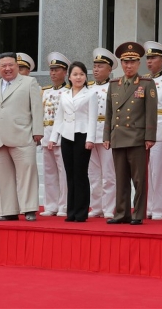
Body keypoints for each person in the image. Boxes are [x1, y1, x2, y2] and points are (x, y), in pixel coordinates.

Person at [0, 52, 43, 221]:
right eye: (4, 66)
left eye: (11, 65)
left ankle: (29, 208)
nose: (7, 69)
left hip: (22, 135)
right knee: (4, 177)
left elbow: (37, 109)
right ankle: (8, 210)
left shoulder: (29, 82)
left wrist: (37, 131)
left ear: (17, 66)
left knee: (27, 173)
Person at [104, 42, 157, 225]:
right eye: (126, 62)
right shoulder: (113, 85)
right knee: (120, 179)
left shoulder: (146, 83)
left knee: (139, 180)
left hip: (137, 138)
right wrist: (106, 137)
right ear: (121, 63)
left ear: (138, 64)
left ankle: (137, 214)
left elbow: (151, 112)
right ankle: (121, 213)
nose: (129, 65)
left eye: (133, 62)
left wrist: (150, 136)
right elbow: (109, 113)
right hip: (118, 137)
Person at [48, 61, 97, 222]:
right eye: (75, 74)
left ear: (85, 77)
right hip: (67, 136)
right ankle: (71, 212)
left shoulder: (90, 94)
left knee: (81, 174)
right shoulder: (65, 95)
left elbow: (92, 119)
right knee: (70, 175)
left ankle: (82, 212)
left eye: (82, 74)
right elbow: (59, 118)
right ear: (69, 77)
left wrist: (90, 139)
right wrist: (53, 138)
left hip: (83, 136)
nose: (78, 77)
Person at [143, 41, 162, 221]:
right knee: (144, 172)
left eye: (153, 58)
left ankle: (159, 208)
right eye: (148, 58)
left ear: (161, 60)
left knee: (157, 171)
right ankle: (147, 206)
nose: (149, 62)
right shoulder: (143, 81)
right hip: (143, 131)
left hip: (160, 130)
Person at [87, 48, 117, 219]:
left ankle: (108, 207)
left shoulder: (115, 86)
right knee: (93, 174)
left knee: (108, 174)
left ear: (109, 69)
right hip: (90, 135)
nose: (96, 69)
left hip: (107, 134)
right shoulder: (87, 88)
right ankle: (96, 206)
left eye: (100, 66)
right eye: (95, 66)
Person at [40, 52, 70, 217]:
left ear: (65, 72)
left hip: (62, 135)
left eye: (57, 69)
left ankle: (64, 205)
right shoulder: (45, 92)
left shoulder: (70, 91)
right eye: (51, 70)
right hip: (47, 134)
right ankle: (50, 205)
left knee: (63, 173)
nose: (53, 73)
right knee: (49, 173)